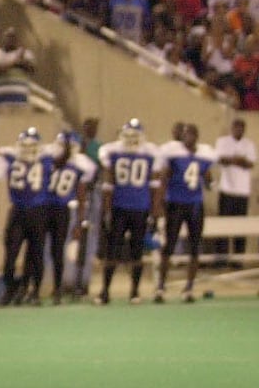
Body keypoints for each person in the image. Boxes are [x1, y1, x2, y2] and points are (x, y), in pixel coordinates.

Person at [97, 119, 161, 305]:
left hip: (138, 208)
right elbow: (109, 183)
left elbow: (154, 186)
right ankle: (106, 291)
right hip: (121, 207)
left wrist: (154, 212)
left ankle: (134, 291)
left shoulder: (149, 153)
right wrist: (107, 210)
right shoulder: (114, 152)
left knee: (136, 252)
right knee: (113, 251)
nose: (132, 140)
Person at [153, 123, 215, 303]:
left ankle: (188, 288)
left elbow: (209, 180)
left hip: (195, 204)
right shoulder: (174, 155)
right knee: (169, 246)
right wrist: (158, 204)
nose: (190, 137)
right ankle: (160, 287)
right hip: (175, 203)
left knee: (195, 248)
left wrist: (210, 181)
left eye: (193, 134)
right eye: (187, 134)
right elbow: (164, 179)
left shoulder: (204, 156)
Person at [40, 130, 96, 305]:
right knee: (43, 249)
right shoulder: (48, 158)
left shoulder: (82, 164)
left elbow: (82, 193)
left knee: (68, 250)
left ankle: (75, 283)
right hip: (44, 207)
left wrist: (80, 219)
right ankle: (46, 285)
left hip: (67, 209)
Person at [0, 127, 49, 306]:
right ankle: (10, 289)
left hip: (38, 211)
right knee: (11, 254)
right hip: (18, 210)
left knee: (36, 254)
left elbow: (64, 155)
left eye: (31, 146)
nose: (27, 150)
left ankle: (34, 292)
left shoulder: (46, 159)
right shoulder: (10, 157)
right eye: (24, 146)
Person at [212, 118, 254, 266]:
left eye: (241, 128)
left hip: (242, 191)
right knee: (223, 226)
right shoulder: (223, 142)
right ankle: (221, 259)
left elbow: (250, 163)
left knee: (240, 226)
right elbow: (220, 159)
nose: (238, 130)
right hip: (227, 189)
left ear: (244, 129)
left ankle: (237, 260)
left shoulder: (249, 144)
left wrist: (233, 160)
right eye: (236, 127)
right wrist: (239, 160)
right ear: (232, 128)